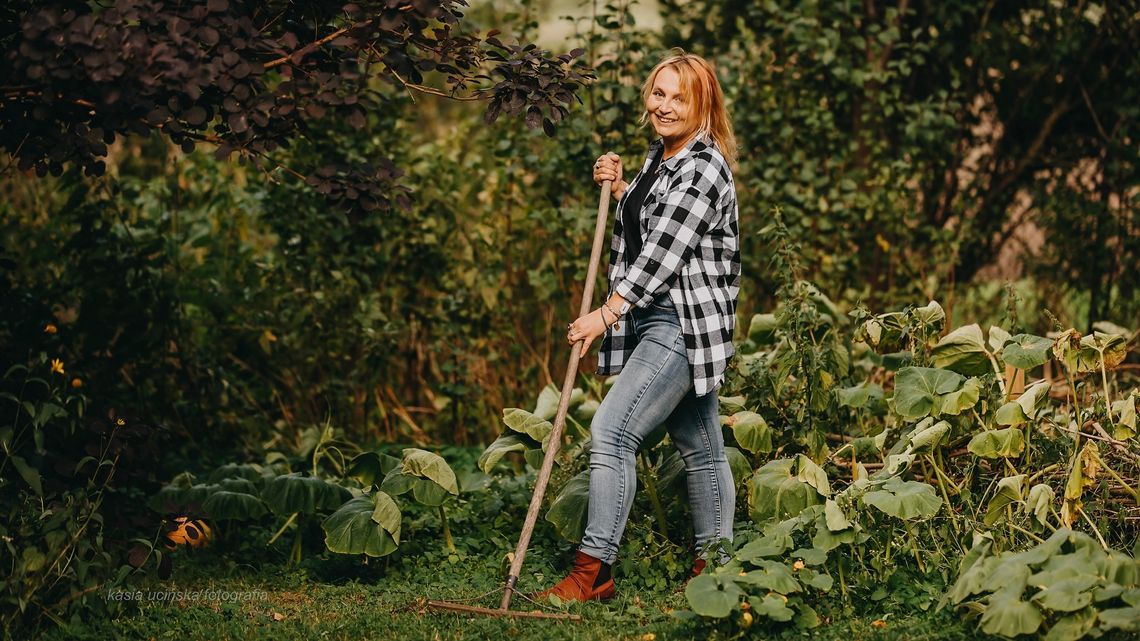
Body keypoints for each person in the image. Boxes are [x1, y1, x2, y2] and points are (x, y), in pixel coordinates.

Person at [532, 50, 741, 603]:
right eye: (659, 93)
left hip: (682, 323)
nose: (665, 106)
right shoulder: (661, 158)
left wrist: (605, 313)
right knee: (702, 451)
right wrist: (625, 190)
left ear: (702, 106)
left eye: (680, 97)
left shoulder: (703, 166)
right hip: (658, 316)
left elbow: (664, 256)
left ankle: (592, 571)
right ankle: (715, 570)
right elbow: (652, 226)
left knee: (611, 432)